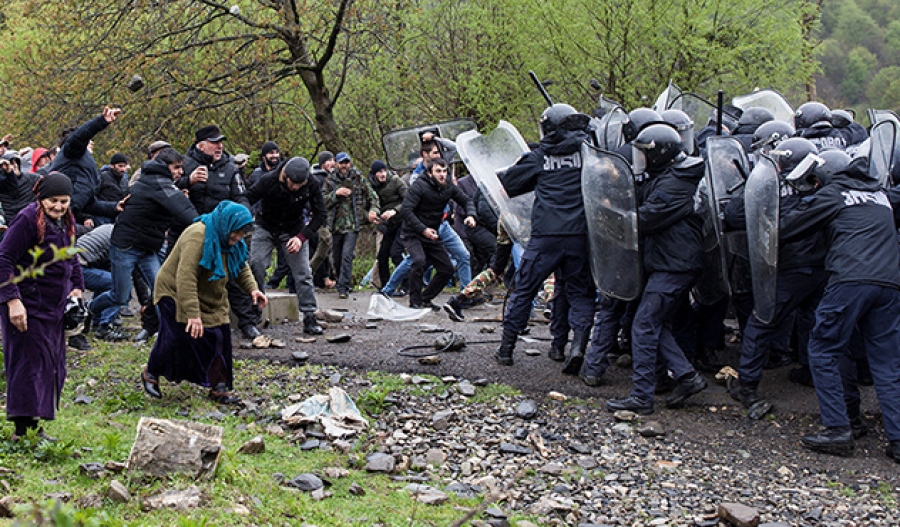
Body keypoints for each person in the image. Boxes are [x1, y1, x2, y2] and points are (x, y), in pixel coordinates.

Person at [780, 156, 900, 461]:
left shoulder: (833, 194)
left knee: (822, 349)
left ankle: (838, 430)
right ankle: (898, 439)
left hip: (850, 280)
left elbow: (789, 227)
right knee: (887, 363)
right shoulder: (880, 195)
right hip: (889, 283)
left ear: (825, 177)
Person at [605, 124, 707, 415]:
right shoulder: (667, 175)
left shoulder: (675, 183)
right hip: (668, 261)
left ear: (660, 154)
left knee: (644, 324)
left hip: (675, 264)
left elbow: (645, 218)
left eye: (644, 154)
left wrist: (610, 217)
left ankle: (642, 397)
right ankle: (686, 376)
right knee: (654, 322)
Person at [494, 104, 596, 374]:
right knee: (578, 293)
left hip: (545, 236)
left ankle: (506, 349)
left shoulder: (540, 156)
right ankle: (575, 347)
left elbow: (508, 184)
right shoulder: (589, 153)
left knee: (524, 288)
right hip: (578, 235)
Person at [141, 201, 266, 404]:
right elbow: (185, 276)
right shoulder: (197, 236)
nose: (238, 238)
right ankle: (151, 372)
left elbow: (240, 264)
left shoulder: (232, 240)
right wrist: (193, 314)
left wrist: (253, 289)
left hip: (210, 292)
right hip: (174, 290)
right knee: (177, 337)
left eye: (242, 234)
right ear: (228, 225)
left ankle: (219, 387)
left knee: (219, 338)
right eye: (236, 233)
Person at [0, 173, 84, 440]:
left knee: (50, 364)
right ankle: (23, 431)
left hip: (53, 307)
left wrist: (77, 288)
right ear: (41, 198)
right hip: (26, 304)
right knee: (28, 365)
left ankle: (36, 425)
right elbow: (3, 260)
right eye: (53, 201)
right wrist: (13, 301)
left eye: (64, 201)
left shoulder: (65, 221)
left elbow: (71, 258)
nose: (58, 207)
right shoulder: (27, 220)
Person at [88, 147, 198, 341]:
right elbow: (184, 208)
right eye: (176, 167)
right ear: (165, 167)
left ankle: (166, 331)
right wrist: (204, 224)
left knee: (160, 290)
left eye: (181, 168)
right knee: (119, 296)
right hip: (126, 246)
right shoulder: (157, 183)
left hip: (148, 247)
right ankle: (88, 310)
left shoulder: (156, 180)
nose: (180, 172)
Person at [176, 125, 261, 340]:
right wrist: (188, 180)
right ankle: (157, 324)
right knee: (180, 276)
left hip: (225, 234)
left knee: (233, 272)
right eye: (214, 142)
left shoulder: (230, 168)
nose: (220, 146)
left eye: (221, 142)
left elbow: (241, 197)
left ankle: (248, 322)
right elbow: (169, 190)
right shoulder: (185, 165)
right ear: (201, 145)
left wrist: (244, 219)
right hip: (192, 232)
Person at [247, 157, 326, 335]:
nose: (296, 187)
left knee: (303, 273)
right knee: (257, 265)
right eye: (293, 183)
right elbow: (246, 198)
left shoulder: (312, 184)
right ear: (285, 176)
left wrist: (301, 237)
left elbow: (320, 215)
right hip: (265, 226)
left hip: (293, 229)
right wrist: (245, 219)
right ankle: (254, 311)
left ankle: (309, 315)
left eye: (300, 184)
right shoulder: (268, 180)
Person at [398, 158, 476, 309]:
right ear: (430, 173)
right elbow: (406, 210)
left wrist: (471, 215)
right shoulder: (419, 186)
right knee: (419, 261)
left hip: (433, 232)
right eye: (438, 171)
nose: (442, 175)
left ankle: (425, 298)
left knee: (446, 268)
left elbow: (466, 200)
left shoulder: (448, 187)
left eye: (444, 171)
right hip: (413, 231)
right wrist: (423, 230)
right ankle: (414, 301)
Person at [49, 107, 123, 226]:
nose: (92, 142)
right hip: (56, 212)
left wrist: (115, 207)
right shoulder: (72, 151)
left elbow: (89, 203)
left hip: (67, 215)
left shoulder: (85, 162)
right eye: (89, 140)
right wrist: (101, 121)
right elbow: (79, 137)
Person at [324, 152, 380, 298]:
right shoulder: (330, 181)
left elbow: (372, 196)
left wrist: (373, 210)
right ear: (336, 164)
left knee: (347, 256)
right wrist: (335, 194)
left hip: (353, 224)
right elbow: (322, 201)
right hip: (335, 225)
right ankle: (344, 283)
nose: (344, 165)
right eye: (341, 163)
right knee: (336, 258)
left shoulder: (358, 179)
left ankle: (343, 288)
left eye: (347, 162)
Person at [369, 160, 407, 288]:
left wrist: (394, 211)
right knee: (382, 256)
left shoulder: (396, 181)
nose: (383, 174)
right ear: (374, 174)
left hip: (403, 222)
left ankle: (406, 284)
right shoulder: (372, 187)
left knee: (396, 253)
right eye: (379, 172)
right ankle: (386, 286)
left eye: (384, 171)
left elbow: (409, 201)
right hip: (389, 225)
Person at [95, 153, 130, 225]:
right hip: (102, 216)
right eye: (120, 166)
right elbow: (92, 197)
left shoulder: (125, 181)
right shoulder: (102, 178)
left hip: (118, 217)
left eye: (124, 166)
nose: (123, 169)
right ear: (112, 166)